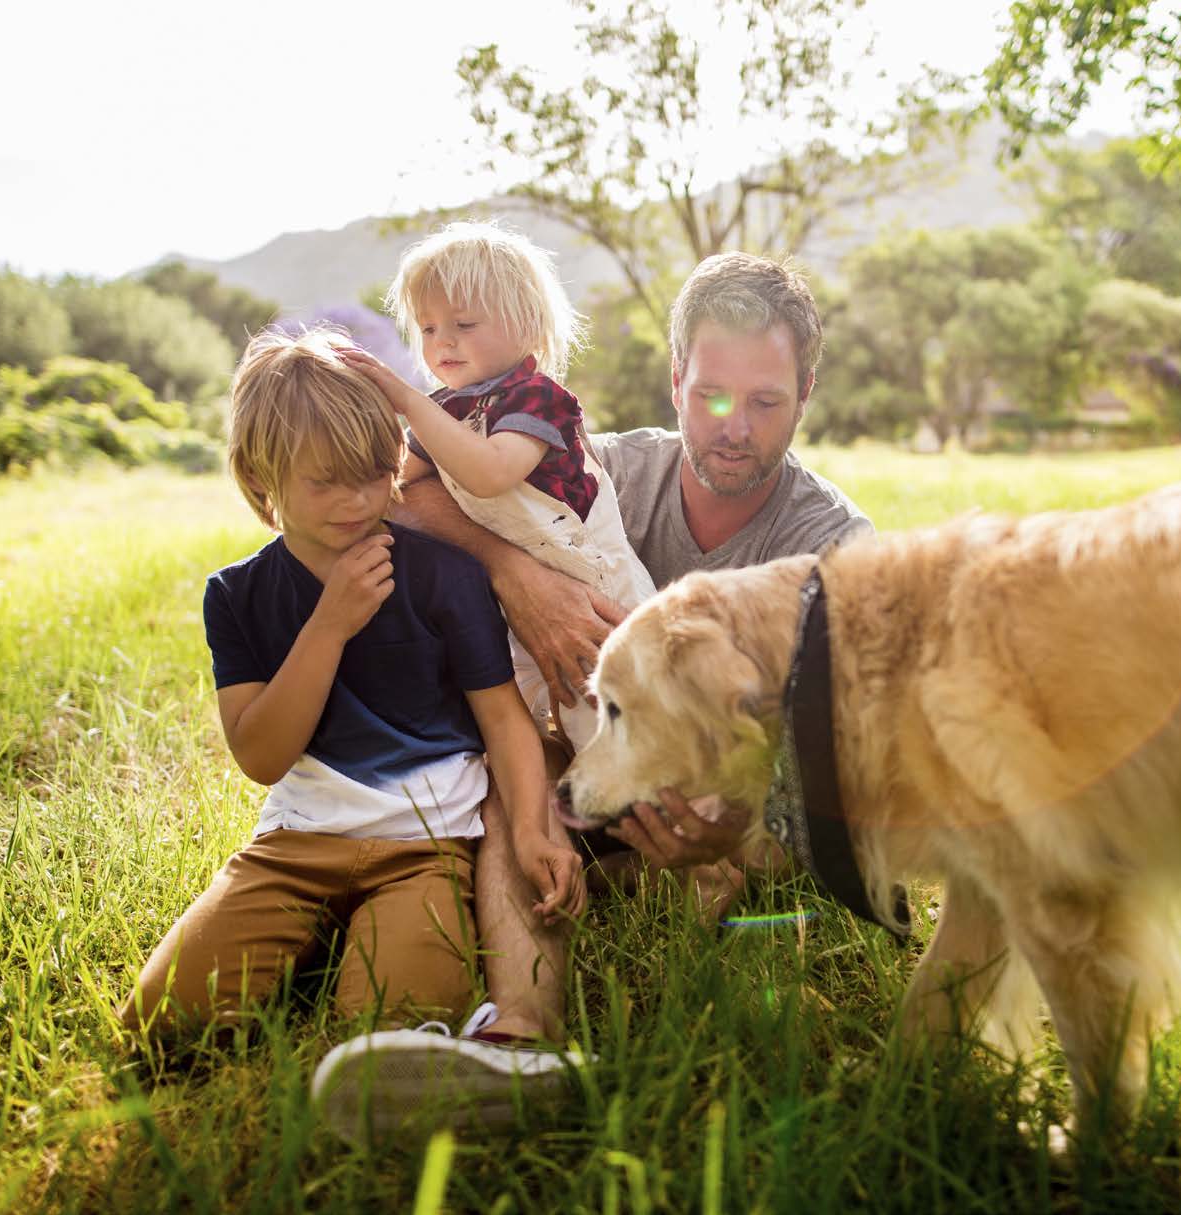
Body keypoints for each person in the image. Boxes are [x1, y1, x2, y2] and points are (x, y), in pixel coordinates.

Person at [310, 251, 870, 1128]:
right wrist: (515, 574)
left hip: (736, 800)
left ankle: (707, 911)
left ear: (805, 394)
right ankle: (524, 1043)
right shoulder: (601, 463)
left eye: (766, 402)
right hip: (587, 770)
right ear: (676, 378)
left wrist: (733, 817)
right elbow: (410, 500)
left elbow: (840, 752)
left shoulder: (831, 544)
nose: (734, 427)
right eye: (711, 395)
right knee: (510, 776)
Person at [119, 327, 584, 1051]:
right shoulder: (236, 596)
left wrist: (528, 828)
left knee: (391, 1029)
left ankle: (363, 960)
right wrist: (328, 626)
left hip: (425, 846)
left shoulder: (443, 575)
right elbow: (262, 755)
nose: (358, 499)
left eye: (373, 473)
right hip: (294, 845)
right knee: (163, 1024)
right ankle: (309, 943)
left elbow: (504, 720)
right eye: (324, 480)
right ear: (256, 478)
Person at [341, 220, 655, 754]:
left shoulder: (536, 399)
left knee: (640, 721)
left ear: (528, 326)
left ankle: (678, 818)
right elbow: (398, 487)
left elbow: (489, 473)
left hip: (600, 590)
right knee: (569, 729)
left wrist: (407, 401)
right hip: (521, 616)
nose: (443, 342)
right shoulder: (444, 411)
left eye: (463, 323)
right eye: (428, 328)